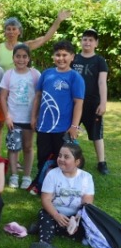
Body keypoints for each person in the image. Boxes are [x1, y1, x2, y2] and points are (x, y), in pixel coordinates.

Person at [31, 41, 85, 193]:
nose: (61, 58)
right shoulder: (47, 74)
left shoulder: (75, 77)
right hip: (44, 126)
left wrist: (74, 126)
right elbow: (38, 97)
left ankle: (60, 186)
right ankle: (42, 183)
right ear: (53, 56)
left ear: (72, 57)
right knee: (43, 156)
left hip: (63, 128)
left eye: (65, 55)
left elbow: (78, 103)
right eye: (58, 55)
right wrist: (33, 117)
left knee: (61, 158)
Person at [29, 143, 94, 248]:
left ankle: (41, 227)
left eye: (66, 157)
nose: (61, 159)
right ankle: (45, 243)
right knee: (45, 214)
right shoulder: (52, 174)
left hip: (75, 216)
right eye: (60, 156)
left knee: (87, 227)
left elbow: (87, 202)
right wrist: (56, 215)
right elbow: (46, 200)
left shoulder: (86, 177)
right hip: (54, 212)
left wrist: (77, 219)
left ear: (77, 162)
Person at [0, 44, 41, 189]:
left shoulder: (35, 74)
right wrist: (7, 116)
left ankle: (27, 176)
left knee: (28, 147)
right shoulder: (9, 74)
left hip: (29, 118)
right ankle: (14, 175)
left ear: (29, 58)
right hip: (14, 119)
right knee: (13, 147)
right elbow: (3, 97)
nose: (21, 59)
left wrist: (35, 116)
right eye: (18, 56)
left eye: (24, 56)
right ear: (13, 58)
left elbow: (38, 96)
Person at [72, 29, 109, 175]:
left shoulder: (100, 61)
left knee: (96, 134)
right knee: (71, 131)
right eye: (85, 39)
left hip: (93, 104)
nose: (87, 42)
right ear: (81, 41)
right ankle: (69, 158)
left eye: (91, 40)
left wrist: (103, 103)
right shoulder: (74, 58)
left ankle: (102, 163)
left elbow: (102, 82)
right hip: (75, 104)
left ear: (96, 43)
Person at [0, 10, 71, 71]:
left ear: (19, 31)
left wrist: (58, 20)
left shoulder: (24, 46)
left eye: (14, 29)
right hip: (4, 84)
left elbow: (45, 38)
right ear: (5, 32)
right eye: (8, 29)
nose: (11, 32)